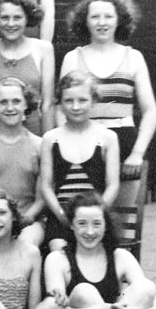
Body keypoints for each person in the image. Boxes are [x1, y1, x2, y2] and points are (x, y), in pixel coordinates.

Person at [60, 0, 156, 181]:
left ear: (119, 19)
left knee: (122, 210)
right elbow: (60, 109)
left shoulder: (134, 57)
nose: (102, 23)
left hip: (124, 144)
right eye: (95, 17)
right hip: (83, 140)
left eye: (108, 16)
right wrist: (68, 143)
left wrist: (137, 153)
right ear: (85, 21)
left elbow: (150, 111)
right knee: (83, 208)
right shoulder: (73, 58)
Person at [40, 71, 120, 252]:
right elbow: (46, 186)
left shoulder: (107, 138)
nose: (76, 107)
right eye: (68, 101)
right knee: (59, 253)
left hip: (96, 219)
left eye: (82, 100)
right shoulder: (50, 139)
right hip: (61, 219)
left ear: (93, 101)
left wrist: (96, 216)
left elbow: (113, 186)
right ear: (60, 103)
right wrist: (62, 215)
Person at [0, 77, 46, 248]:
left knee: (24, 244)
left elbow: (41, 199)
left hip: (29, 221)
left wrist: (20, 222)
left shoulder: (40, 145)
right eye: (3, 102)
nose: (10, 108)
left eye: (16, 101)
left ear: (26, 104)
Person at [0, 0, 54, 134]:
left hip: (33, 132)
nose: (11, 23)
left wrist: (47, 143)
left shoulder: (43, 49)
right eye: (4, 18)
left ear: (27, 18)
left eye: (17, 17)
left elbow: (47, 104)